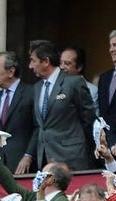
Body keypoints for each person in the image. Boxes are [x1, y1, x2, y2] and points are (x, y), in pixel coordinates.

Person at [25, 40, 97, 172]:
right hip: (46, 159)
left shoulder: (73, 82)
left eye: (33, 61)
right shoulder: (37, 87)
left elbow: (89, 120)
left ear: (46, 62)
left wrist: (88, 150)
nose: (30, 66)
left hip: (72, 158)